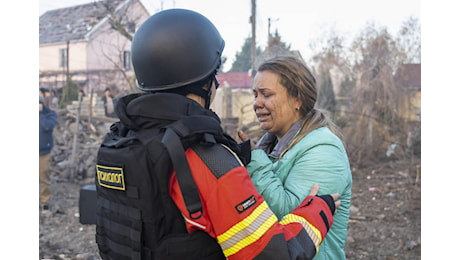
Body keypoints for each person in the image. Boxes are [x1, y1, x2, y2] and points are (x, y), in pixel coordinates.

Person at [95, 9, 340, 260]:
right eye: (215, 76)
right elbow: (275, 255)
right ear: (205, 82)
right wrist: (318, 209)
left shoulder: (119, 143)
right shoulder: (208, 159)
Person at [238, 55, 353, 260]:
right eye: (255, 94)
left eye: (266, 94)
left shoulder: (324, 149)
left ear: (297, 99)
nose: (257, 103)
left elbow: (293, 220)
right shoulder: (270, 147)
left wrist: (254, 163)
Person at [39, 95, 57, 211]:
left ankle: (44, 203)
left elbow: (47, 126)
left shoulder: (50, 114)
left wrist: (39, 114)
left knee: (44, 178)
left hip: (43, 152)